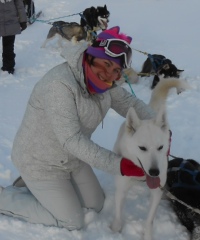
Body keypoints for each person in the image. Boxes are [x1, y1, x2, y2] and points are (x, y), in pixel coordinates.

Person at [0, 26, 157, 230]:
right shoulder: (60, 84)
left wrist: (158, 129)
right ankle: (5, 197)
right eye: (106, 63)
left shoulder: (105, 86)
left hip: (73, 158)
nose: (108, 73)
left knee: (95, 204)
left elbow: (130, 104)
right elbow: (71, 140)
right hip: (40, 161)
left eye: (116, 70)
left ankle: (33, 187)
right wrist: (119, 165)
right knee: (71, 220)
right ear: (91, 56)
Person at [0, 0, 27, 74]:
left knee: (8, 47)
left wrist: (22, 20)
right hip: (11, 23)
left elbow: (19, 5)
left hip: (10, 23)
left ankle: (8, 68)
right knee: (8, 47)